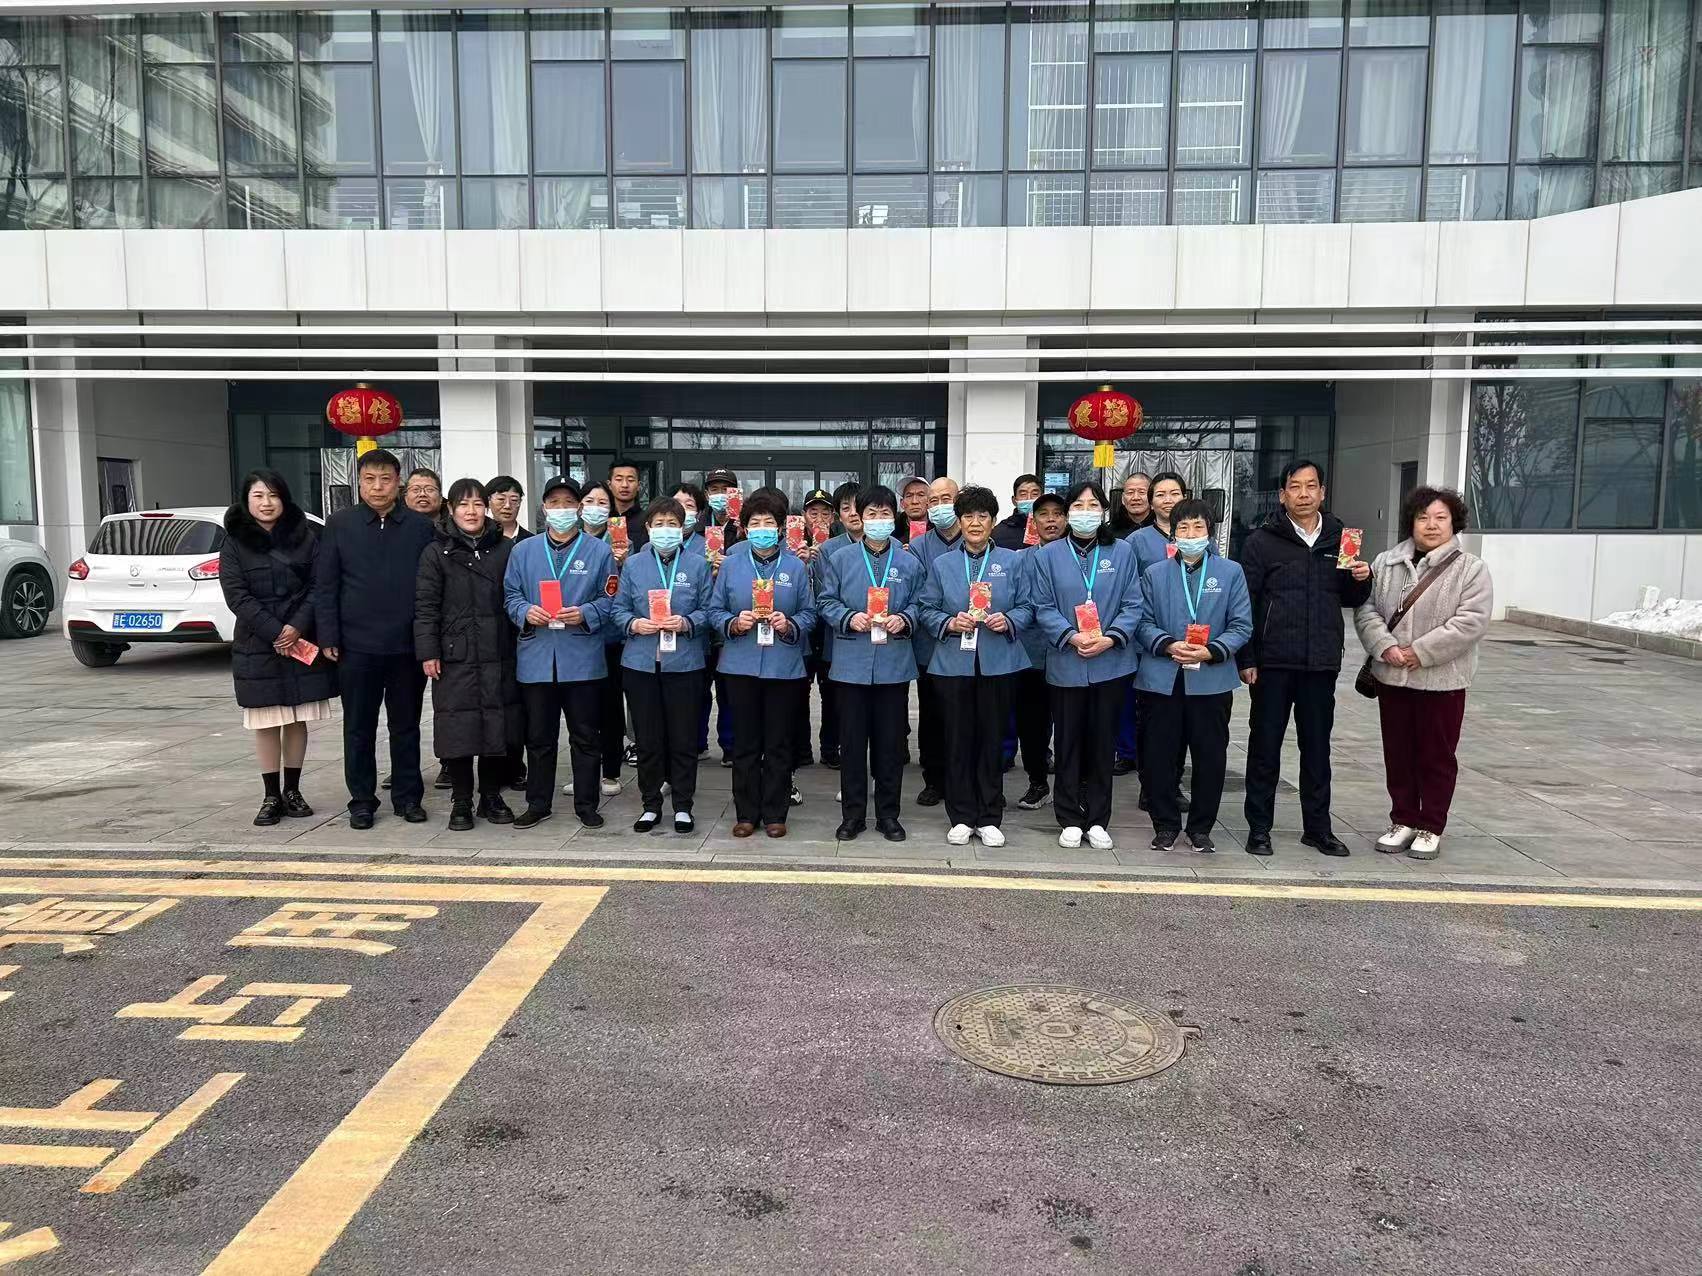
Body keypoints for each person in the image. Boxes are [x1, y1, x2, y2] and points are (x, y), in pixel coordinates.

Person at [1237, 461, 1374, 858]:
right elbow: (1246, 602)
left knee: (1317, 750)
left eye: (1311, 486)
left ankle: (1318, 829)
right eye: (1295, 487)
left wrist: (1362, 579)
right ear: (1283, 495)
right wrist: (1247, 657)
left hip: (1320, 662)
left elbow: (1349, 597)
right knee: (1265, 748)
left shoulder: (1341, 538)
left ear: (1322, 492)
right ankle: (1259, 828)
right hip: (1273, 662)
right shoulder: (1262, 541)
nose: (1303, 494)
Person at [1353, 487, 1493, 861]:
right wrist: (1385, 646)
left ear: (1454, 522)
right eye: (1423, 517)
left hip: (1442, 680)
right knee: (1398, 752)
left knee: (1436, 755)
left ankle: (1431, 824)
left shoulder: (1470, 568)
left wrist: (1421, 652)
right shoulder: (1386, 563)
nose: (1431, 525)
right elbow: (1367, 610)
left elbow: (1470, 622)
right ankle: (1402, 819)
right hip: (1393, 676)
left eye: (1440, 518)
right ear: (1411, 522)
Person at [314, 448, 438, 828]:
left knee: (406, 726)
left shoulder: (419, 527)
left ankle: (407, 797)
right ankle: (362, 801)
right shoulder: (340, 524)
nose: (378, 487)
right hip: (356, 647)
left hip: (405, 646)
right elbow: (326, 584)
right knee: (359, 727)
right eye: (370, 479)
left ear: (398, 483)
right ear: (359, 482)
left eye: (386, 479)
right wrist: (328, 634)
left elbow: (431, 587)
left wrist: (427, 641)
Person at [1134, 499, 1253, 854]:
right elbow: (1142, 622)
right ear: (1173, 533)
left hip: (1211, 679)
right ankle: (1165, 825)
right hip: (1163, 677)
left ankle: (1201, 827)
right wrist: (1168, 644)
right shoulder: (1155, 573)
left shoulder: (1230, 572)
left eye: (1198, 527)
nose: (1190, 534)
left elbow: (1241, 624)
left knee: (1210, 756)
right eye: (1183, 528)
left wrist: (1211, 650)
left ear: (1210, 532)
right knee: (1159, 755)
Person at [219, 469, 337, 826]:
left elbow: (319, 585)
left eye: (273, 495)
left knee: (297, 718)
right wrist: (276, 632)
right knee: (267, 721)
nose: (267, 503)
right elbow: (236, 596)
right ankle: (270, 795)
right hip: (258, 643)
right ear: (246, 501)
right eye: (258, 496)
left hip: (300, 638)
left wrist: (296, 627)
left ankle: (293, 790)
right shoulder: (234, 543)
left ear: (284, 499)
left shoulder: (306, 537)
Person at [917, 485, 1032, 847]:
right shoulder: (943, 564)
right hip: (954, 664)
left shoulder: (1013, 561)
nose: (976, 522)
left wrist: (1008, 620)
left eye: (983, 516)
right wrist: (950, 622)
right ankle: (962, 815)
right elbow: (926, 608)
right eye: (968, 516)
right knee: (957, 740)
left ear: (993, 521)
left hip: (999, 662)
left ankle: (990, 815)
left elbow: (1028, 606)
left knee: (992, 740)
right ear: (960, 520)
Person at [1029, 481, 1142, 851]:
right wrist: (1072, 636)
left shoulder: (1122, 551)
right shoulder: (1048, 555)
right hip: (1067, 661)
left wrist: (1110, 638)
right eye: (1078, 506)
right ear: (1067, 514)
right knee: (1068, 741)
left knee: (1102, 743)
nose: (1086, 512)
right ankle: (1068, 817)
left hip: (1111, 662)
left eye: (1093, 505)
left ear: (1104, 511)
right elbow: (1042, 606)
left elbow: (1133, 603)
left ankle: (1097, 818)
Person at [504, 476, 617, 830]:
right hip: (537, 658)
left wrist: (585, 613)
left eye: (569, 503)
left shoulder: (599, 551)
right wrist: (525, 611)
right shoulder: (523, 551)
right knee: (539, 737)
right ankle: (538, 803)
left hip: (581, 658)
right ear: (544, 508)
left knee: (586, 736)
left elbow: (610, 599)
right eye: (554, 503)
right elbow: (510, 595)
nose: (561, 509)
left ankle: (587, 803)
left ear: (579, 508)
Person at [414, 479, 524, 831]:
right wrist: (428, 651)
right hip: (454, 656)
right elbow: (425, 607)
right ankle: (461, 799)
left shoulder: (504, 549)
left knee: (496, 726)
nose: (471, 511)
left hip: (499, 652)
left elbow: (516, 597)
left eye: (477, 504)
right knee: (458, 728)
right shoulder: (436, 552)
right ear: (451, 509)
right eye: (463, 504)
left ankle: (490, 795)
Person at [709, 492, 816, 837]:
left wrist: (790, 624)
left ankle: (775, 813)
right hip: (740, 665)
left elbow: (810, 613)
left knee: (778, 743)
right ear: (744, 528)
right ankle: (746, 812)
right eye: (755, 522)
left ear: (781, 527)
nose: (762, 528)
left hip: (784, 666)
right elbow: (714, 610)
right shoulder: (731, 564)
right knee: (745, 743)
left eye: (769, 522)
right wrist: (733, 622)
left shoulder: (795, 567)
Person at [820, 485, 923, 843]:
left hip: (893, 665)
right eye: (871, 514)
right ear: (860, 519)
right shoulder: (840, 559)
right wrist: (849, 617)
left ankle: (888, 815)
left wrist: (904, 619)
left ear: (895, 517)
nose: (878, 520)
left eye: (885, 514)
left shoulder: (909, 562)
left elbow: (921, 604)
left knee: (890, 745)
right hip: (851, 664)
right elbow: (825, 602)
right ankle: (852, 815)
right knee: (851, 745)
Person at [612, 497, 713, 834]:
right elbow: (618, 609)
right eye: (659, 524)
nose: (666, 530)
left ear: (683, 529)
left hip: (684, 663)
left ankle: (683, 805)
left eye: (673, 524)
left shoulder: (697, 565)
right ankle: (650, 804)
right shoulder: (634, 565)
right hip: (641, 663)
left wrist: (686, 622)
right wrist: (634, 624)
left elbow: (709, 610)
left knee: (683, 738)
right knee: (648, 740)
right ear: (648, 528)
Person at [1120, 471, 1190, 793]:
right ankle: (1151, 787)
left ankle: (1173, 784)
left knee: (1180, 722)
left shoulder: (1196, 537)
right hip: (1146, 644)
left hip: (1188, 646)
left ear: (1185, 497)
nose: (1167, 500)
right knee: (1149, 720)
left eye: (1174, 493)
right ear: (1151, 502)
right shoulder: (1136, 541)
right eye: (1160, 495)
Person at [907, 476, 964, 808]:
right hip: (930, 645)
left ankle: (964, 779)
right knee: (932, 717)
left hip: (971, 646)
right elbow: (918, 595)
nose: (940, 506)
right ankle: (934, 779)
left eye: (946, 499)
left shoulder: (977, 540)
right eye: (933, 501)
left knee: (966, 717)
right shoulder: (918, 546)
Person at [1011, 490, 1066, 810]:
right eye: (1043, 514)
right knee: (1032, 725)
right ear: (1033, 521)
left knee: (1072, 725)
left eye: (1057, 514)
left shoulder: (1080, 557)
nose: (1051, 520)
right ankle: (1038, 782)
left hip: (1072, 653)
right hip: (1031, 656)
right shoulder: (1020, 559)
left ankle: (1074, 786)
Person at [577, 481, 631, 794]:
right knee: (581, 709)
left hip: (611, 638)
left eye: (602, 502)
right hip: (577, 634)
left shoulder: (623, 543)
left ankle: (610, 771)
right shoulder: (570, 540)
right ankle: (584, 772)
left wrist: (621, 563)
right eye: (589, 501)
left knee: (610, 706)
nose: (595, 507)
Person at [808, 481, 866, 770]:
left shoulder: (889, 546)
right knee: (834, 695)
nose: (853, 513)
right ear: (838, 516)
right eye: (846, 508)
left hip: (878, 635)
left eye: (858, 507)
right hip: (837, 633)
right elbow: (823, 595)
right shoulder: (829, 549)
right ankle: (831, 747)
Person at [681, 477, 736, 766]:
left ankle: (730, 745)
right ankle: (696, 742)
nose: (720, 495)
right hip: (696, 624)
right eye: (714, 490)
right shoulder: (691, 533)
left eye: (726, 490)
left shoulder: (742, 528)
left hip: (728, 621)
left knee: (728, 688)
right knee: (698, 688)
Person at [792, 487, 838, 771]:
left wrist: (823, 560)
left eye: (824, 513)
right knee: (799, 689)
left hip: (829, 628)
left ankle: (831, 748)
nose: (819, 519)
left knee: (832, 691)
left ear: (833, 517)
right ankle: (801, 749)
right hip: (802, 629)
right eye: (813, 512)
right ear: (804, 516)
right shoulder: (793, 543)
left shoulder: (840, 547)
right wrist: (801, 562)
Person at [993, 473, 1044, 550]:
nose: (1029, 498)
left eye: (1034, 494)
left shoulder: (1051, 527)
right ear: (1014, 500)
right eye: (1023, 494)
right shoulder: (999, 532)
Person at [607, 458, 649, 549]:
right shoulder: (602, 518)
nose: (625, 485)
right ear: (609, 485)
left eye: (630, 480)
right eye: (619, 479)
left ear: (639, 485)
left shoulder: (647, 520)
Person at [485, 475, 530, 542]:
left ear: (520, 502)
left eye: (514, 500)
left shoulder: (531, 541)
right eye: (501, 499)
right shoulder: (479, 539)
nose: (507, 506)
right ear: (488, 501)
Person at [1111, 471, 1152, 536]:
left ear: (1152, 497)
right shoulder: (1110, 533)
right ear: (1123, 499)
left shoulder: (1163, 528)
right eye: (1130, 492)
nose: (1135, 498)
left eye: (1142, 492)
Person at [897, 476, 929, 544]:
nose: (914, 501)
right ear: (902, 503)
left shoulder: (939, 529)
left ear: (929, 501)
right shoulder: (892, 531)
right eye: (909, 496)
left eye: (920, 495)